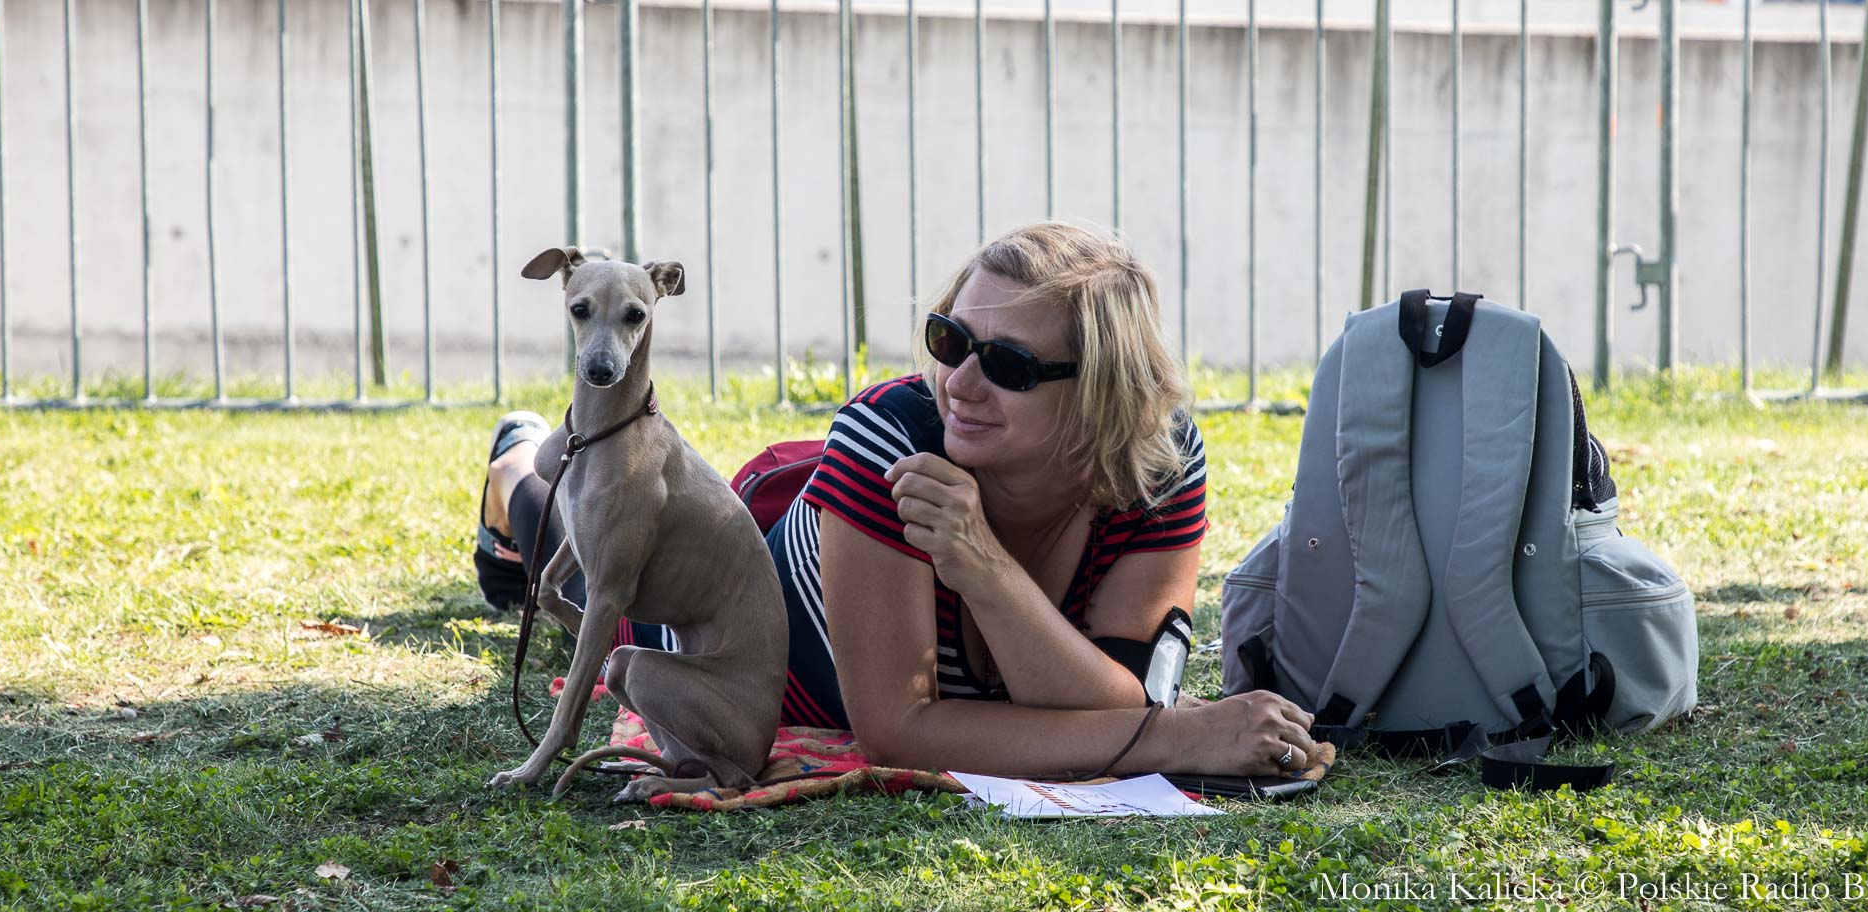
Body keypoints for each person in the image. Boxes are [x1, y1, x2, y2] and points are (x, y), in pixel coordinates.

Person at [473, 221, 1314, 779]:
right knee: (568, 546)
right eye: (950, 341)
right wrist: (1179, 738)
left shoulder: (1157, 459)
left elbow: (1122, 699)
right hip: (696, 611)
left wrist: (983, 566)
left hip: (808, 519)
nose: (961, 383)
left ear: (1103, 397)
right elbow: (899, 731)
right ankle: (514, 466)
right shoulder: (891, 440)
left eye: (1011, 366)